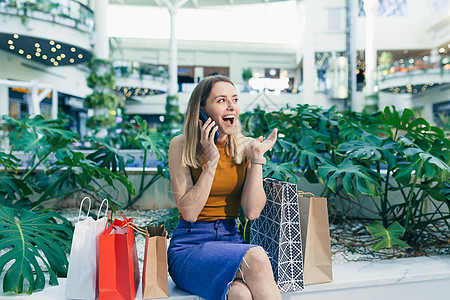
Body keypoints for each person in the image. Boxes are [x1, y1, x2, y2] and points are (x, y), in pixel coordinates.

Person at [167, 74, 281, 300]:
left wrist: (256, 159)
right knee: (256, 257)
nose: (232, 106)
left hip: (231, 241)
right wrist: (211, 161)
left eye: (235, 99)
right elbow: (189, 213)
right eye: (221, 100)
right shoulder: (181, 145)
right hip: (190, 246)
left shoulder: (246, 147)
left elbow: (252, 212)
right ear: (202, 110)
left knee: (240, 295)